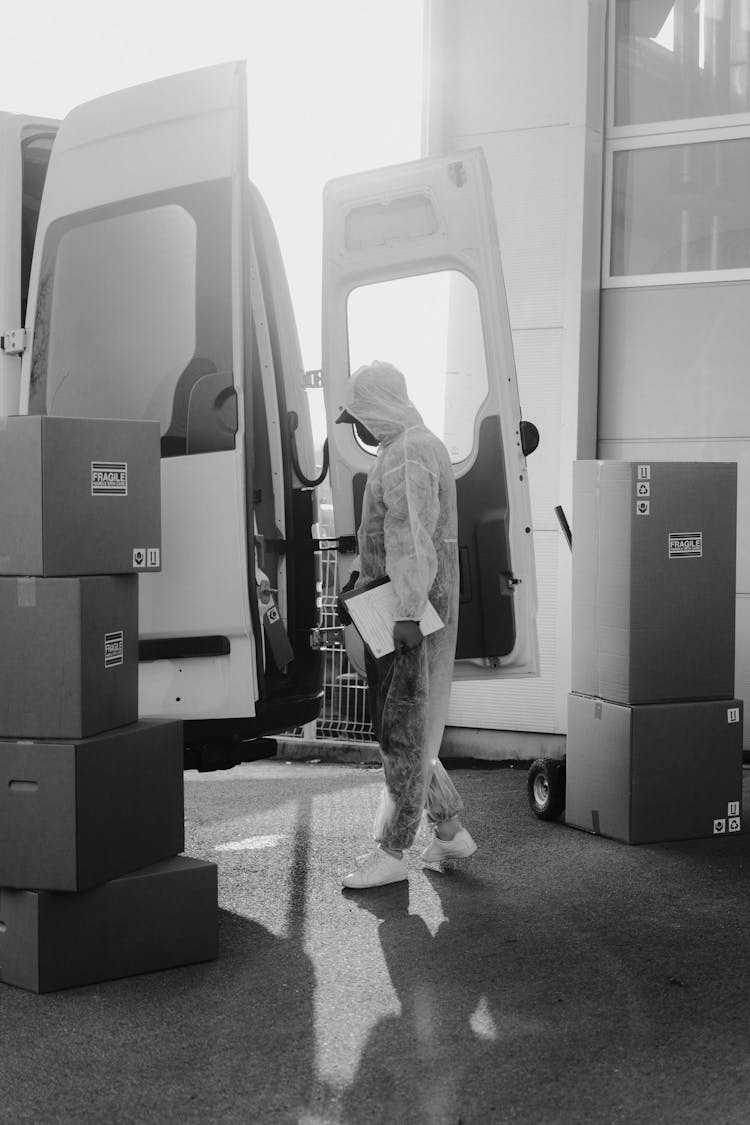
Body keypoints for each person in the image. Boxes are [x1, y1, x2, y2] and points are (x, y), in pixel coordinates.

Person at [335, 361, 477, 889]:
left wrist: (407, 614)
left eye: (361, 415)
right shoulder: (418, 445)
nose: (361, 427)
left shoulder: (408, 452)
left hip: (406, 612)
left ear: (379, 407)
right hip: (406, 608)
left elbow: (410, 537)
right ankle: (450, 831)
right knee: (412, 733)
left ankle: (394, 853)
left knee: (401, 732)